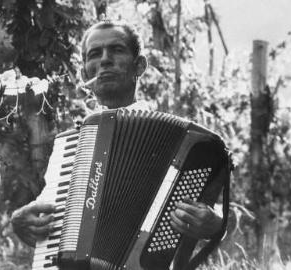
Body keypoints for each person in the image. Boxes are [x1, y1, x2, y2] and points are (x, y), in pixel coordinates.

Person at [11, 20, 222, 246]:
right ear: (84, 75)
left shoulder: (181, 140)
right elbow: (48, 224)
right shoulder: (70, 147)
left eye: (117, 50)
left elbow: (218, 211)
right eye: (94, 54)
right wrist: (22, 222)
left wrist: (216, 223)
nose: (104, 60)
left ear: (139, 66)